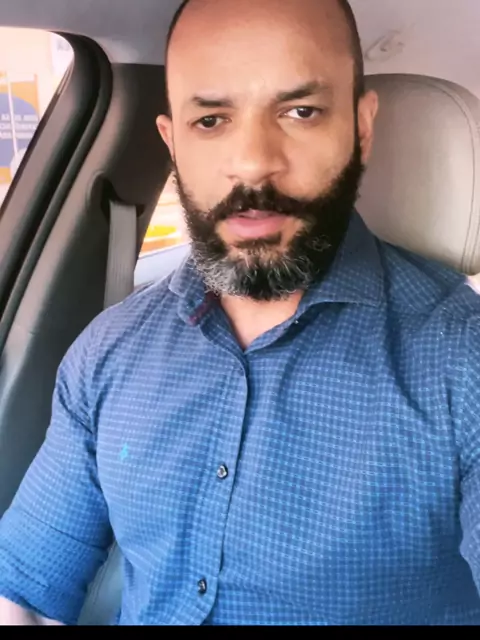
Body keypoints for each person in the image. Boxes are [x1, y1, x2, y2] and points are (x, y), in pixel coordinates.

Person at [0, 0, 480, 626]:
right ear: (173, 143)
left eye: (300, 111)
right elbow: (24, 595)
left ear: (361, 129)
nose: (253, 162)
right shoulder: (107, 352)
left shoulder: (462, 359)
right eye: (211, 120)